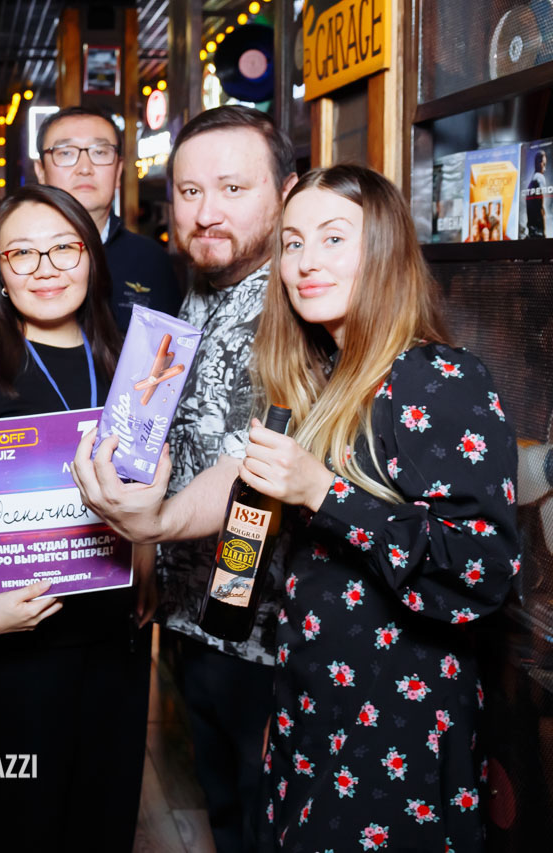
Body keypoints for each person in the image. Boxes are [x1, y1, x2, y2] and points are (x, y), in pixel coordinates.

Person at [246, 164, 519, 850]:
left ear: (386, 251)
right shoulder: (325, 377)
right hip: (316, 714)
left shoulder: (436, 376)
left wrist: (323, 491)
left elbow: (483, 568)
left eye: (334, 238)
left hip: (396, 730)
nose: (306, 262)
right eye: (293, 242)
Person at [71, 105, 298, 853]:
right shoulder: (195, 289)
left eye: (233, 188)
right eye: (191, 192)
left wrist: (156, 524)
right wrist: (147, 551)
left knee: (272, 825)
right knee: (225, 814)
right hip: (194, 618)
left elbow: (254, 461)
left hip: (272, 634)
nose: (206, 213)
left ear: (286, 193)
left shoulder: (301, 297)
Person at [0, 184, 153, 850]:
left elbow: (145, 483)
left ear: (92, 256)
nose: (45, 268)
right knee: (24, 829)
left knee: (104, 827)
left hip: (115, 646)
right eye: (22, 253)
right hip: (18, 650)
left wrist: (147, 561)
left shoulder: (133, 362)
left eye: (64, 248)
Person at [33, 105, 181, 331]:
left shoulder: (151, 260)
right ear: (41, 171)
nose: (85, 168)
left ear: (118, 170)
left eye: (100, 152)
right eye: (66, 153)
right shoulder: (21, 259)